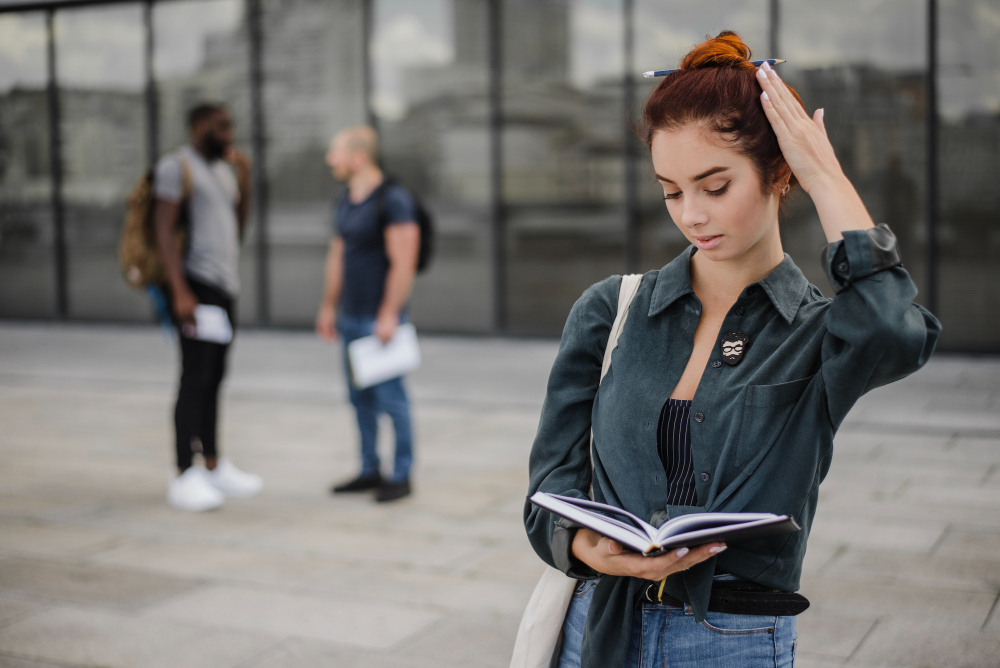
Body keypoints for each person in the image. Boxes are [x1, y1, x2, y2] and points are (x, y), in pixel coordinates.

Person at [523, 32, 940, 668]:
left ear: (779, 174)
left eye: (715, 186)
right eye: (671, 190)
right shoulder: (610, 311)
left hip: (732, 641)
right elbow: (548, 488)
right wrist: (584, 546)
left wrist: (824, 174)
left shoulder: (819, 331)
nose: (691, 214)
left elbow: (893, 332)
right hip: (598, 628)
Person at [154, 102, 263, 512]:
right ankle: (184, 472)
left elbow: (237, 227)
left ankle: (213, 464)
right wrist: (180, 291)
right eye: (221, 126)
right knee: (193, 377)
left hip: (223, 288)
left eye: (231, 125)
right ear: (199, 126)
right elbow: (162, 230)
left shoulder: (222, 169)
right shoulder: (176, 166)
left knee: (216, 376)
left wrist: (246, 180)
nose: (229, 133)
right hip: (195, 286)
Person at [316, 126, 420, 503]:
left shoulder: (393, 200)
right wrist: (329, 306)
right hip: (350, 318)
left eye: (336, 152)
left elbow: (404, 262)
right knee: (359, 399)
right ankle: (368, 468)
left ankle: (402, 473)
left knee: (393, 401)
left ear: (358, 156)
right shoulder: (345, 200)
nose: (331, 160)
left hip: (380, 322)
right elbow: (337, 256)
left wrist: (389, 313)